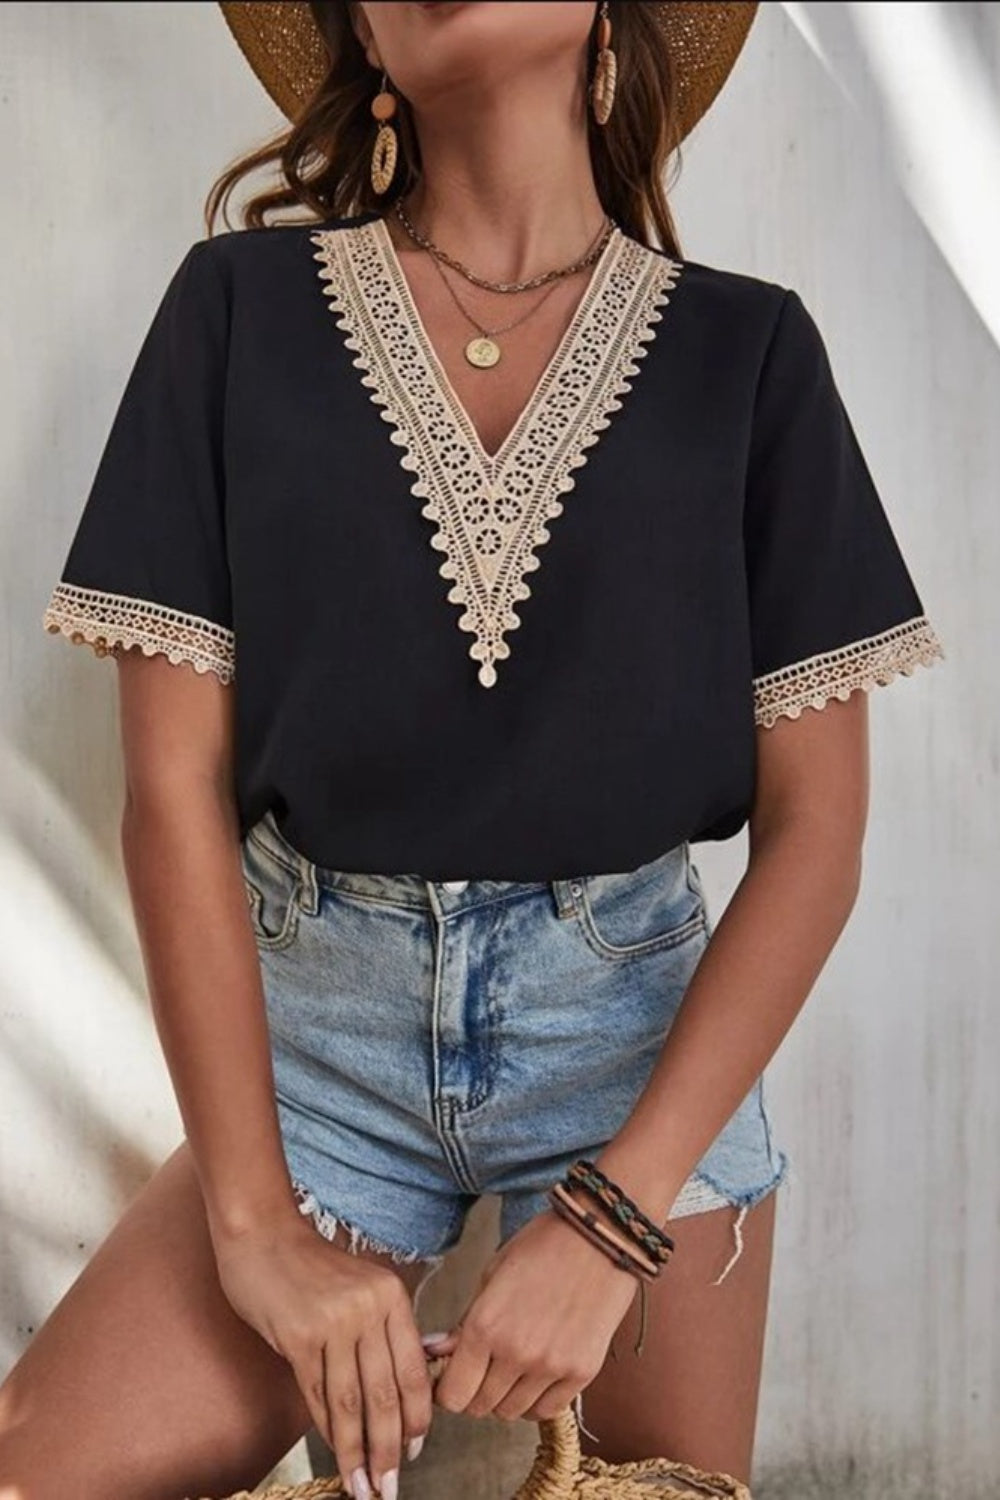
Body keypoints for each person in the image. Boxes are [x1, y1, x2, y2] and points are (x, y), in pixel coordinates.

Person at [2, 3, 945, 1498]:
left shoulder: (748, 354)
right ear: (366, 51)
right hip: (315, 1035)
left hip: (634, 1033)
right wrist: (255, 1232)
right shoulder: (236, 313)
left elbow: (818, 833)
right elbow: (171, 793)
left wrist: (616, 1221)